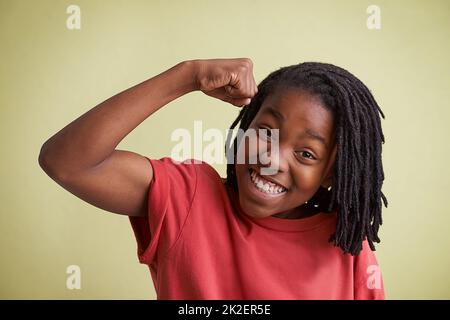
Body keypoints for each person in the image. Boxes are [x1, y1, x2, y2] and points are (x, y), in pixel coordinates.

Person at [39, 58, 388, 299]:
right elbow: (67, 162)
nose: (272, 159)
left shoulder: (347, 244)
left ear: (330, 175)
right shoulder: (189, 196)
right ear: (246, 125)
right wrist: (186, 76)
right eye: (266, 131)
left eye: (307, 154)